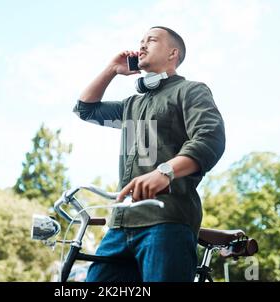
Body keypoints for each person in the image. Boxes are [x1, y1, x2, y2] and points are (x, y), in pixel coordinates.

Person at [73, 26, 226, 282]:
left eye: (151, 40)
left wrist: (165, 172)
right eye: (140, 41)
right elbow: (84, 109)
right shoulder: (132, 104)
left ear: (173, 53)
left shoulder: (191, 90)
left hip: (166, 220)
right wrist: (112, 69)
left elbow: (210, 138)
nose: (142, 46)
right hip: (120, 225)